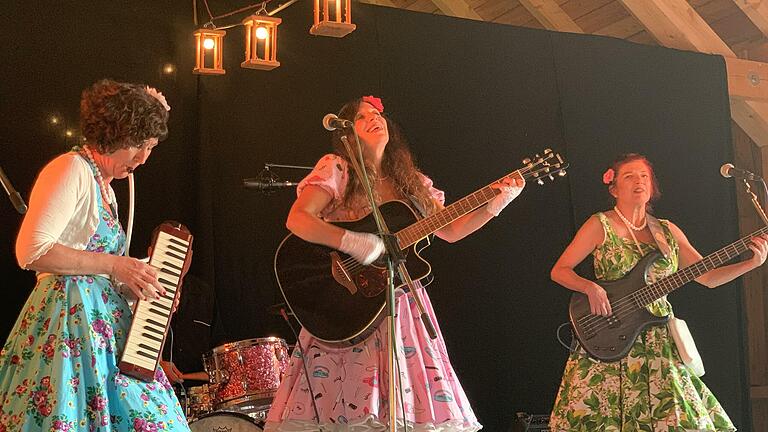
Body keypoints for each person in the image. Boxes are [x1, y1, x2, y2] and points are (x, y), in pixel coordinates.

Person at [264, 96, 525, 431]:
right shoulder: (338, 168)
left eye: (377, 114)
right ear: (348, 133)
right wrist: (351, 242)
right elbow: (298, 220)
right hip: (346, 306)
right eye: (362, 117)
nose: (375, 118)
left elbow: (452, 231)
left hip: (401, 303)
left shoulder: (410, 181)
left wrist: (495, 205)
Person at [0, 79, 189, 430]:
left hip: (100, 327)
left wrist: (139, 286)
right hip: (69, 327)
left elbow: (100, 268)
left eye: (149, 148)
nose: (143, 159)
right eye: (138, 145)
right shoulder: (70, 169)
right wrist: (117, 265)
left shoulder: (105, 186)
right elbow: (31, 250)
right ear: (115, 135)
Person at [548, 153, 768, 432]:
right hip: (609, 333)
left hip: (658, 339)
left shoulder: (666, 231)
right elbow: (560, 270)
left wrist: (751, 263)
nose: (638, 181)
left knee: (680, 419)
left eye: (644, 176)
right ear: (614, 188)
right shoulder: (600, 225)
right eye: (629, 176)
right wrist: (590, 287)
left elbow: (708, 277)